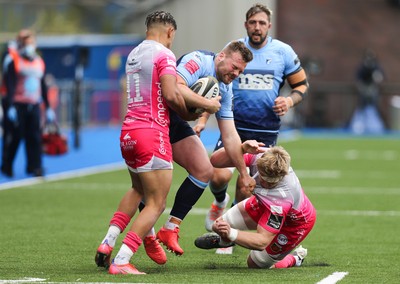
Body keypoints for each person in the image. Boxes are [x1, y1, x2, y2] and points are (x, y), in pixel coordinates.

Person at [94, 11, 212, 275]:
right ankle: (123, 260)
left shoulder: (134, 54)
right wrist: (189, 113)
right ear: (170, 32)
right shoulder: (164, 54)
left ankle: (107, 243)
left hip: (128, 132)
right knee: (156, 203)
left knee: (137, 190)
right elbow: (171, 94)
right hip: (152, 132)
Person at [194, 4, 309, 254]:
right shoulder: (235, 49)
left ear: (269, 25)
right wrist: (202, 120)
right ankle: (219, 201)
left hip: (265, 131)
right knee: (219, 174)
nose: (257, 27)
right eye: (253, 22)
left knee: (247, 185)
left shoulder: (283, 52)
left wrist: (289, 100)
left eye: (262, 23)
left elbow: (301, 85)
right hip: (233, 125)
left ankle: (229, 234)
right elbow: (215, 86)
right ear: (246, 25)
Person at [194, 141, 316, 269]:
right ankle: (224, 242)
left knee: (255, 263)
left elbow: (262, 241)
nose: (267, 184)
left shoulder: (283, 198)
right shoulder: (259, 157)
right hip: (263, 204)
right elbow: (215, 161)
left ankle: (295, 258)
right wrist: (241, 149)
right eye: (265, 179)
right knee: (218, 224)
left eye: (272, 182)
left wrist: (231, 233)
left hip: (294, 222)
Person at [0, 29, 55, 178]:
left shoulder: (38, 61)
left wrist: (48, 107)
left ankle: (35, 167)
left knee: (35, 137)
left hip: (34, 105)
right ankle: (6, 165)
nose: (29, 45)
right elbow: (10, 84)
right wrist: (10, 105)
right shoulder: (14, 59)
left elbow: (43, 85)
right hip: (18, 105)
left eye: (31, 42)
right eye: (26, 42)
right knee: (15, 137)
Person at [349, 48, 385, 134]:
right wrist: (363, 88)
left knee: (372, 109)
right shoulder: (362, 67)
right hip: (364, 90)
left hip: (373, 90)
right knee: (361, 108)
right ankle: (358, 126)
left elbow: (380, 78)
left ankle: (375, 126)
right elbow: (358, 80)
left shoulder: (376, 67)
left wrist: (376, 81)